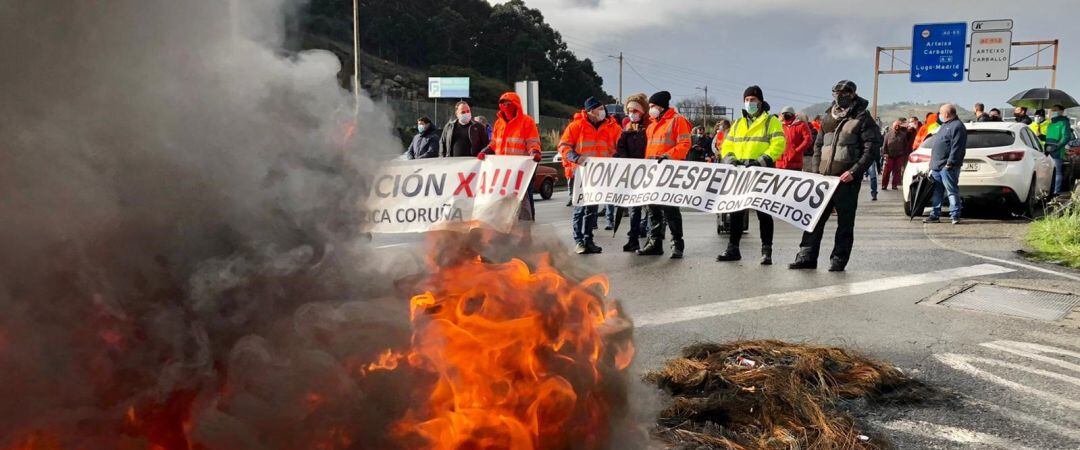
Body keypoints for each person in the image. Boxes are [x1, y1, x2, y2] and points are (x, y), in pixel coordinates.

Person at [790, 80, 881, 272]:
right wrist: (816, 171)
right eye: (836, 92)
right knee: (813, 218)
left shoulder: (862, 117)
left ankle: (838, 259)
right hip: (824, 179)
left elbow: (871, 149)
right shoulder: (827, 117)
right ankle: (806, 256)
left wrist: (854, 171)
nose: (839, 96)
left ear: (853, 94)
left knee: (845, 222)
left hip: (846, 179)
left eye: (844, 92)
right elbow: (818, 146)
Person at [715, 86, 786, 265]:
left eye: (753, 100)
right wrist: (730, 160)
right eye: (747, 100)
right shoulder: (738, 123)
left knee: (763, 212)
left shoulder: (771, 121)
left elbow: (778, 144)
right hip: (740, 173)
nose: (749, 103)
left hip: (761, 172)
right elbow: (727, 144)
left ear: (760, 101)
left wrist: (760, 161)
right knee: (736, 211)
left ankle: (766, 250)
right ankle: (733, 248)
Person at [559, 97, 621, 254]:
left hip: (600, 175)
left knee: (592, 209)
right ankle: (579, 241)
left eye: (602, 108)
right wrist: (576, 158)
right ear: (590, 111)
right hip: (581, 174)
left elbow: (620, 147)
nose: (603, 111)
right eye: (599, 108)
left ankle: (588, 240)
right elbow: (564, 147)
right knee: (580, 209)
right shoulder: (576, 126)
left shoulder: (612, 127)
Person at [636, 91, 692, 259]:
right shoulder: (652, 125)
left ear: (661, 106)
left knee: (670, 209)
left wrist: (668, 156)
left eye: (653, 106)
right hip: (653, 173)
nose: (650, 109)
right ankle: (655, 243)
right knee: (652, 209)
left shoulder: (677, 121)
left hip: (669, 172)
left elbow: (685, 144)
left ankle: (677, 244)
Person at [479, 92, 543, 221]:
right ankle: (505, 231)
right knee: (502, 202)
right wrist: (486, 150)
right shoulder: (499, 124)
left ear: (516, 105)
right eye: (503, 104)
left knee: (524, 201)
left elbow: (532, 141)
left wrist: (534, 152)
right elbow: (494, 142)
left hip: (522, 171)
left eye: (508, 104)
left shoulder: (526, 122)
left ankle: (526, 230)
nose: (505, 106)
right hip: (503, 172)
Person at [616, 93, 651, 252]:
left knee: (651, 208)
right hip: (633, 172)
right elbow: (620, 147)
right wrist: (626, 161)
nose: (632, 113)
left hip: (649, 172)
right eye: (629, 110)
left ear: (642, 111)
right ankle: (633, 238)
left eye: (635, 110)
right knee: (634, 208)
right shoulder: (627, 128)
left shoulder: (650, 127)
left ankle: (652, 237)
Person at [924, 104, 967, 225]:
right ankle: (935, 215)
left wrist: (950, 163)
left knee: (951, 191)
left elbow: (957, 147)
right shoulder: (944, 125)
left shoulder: (957, 126)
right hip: (937, 165)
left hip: (947, 166)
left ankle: (955, 215)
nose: (939, 116)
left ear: (947, 114)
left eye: (940, 113)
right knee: (937, 192)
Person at [1045, 104, 1076, 197]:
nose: (1053, 112)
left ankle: (1056, 192)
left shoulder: (1064, 122)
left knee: (1057, 171)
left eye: (1055, 110)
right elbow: (1049, 137)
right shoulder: (1051, 123)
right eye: (1052, 110)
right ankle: (1049, 191)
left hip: (1057, 151)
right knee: (1049, 171)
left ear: (1061, 111)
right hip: (1048, 150)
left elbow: (1066, 137)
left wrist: (1057, 146)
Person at [778, 106, 812, 171]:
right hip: (780, 163)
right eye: (784, 114)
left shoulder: (801, 125)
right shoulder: (779, 126)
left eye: (788, 114)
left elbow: (808, 139)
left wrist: (796, 151)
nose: (786, 116)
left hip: (795, 162)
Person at [881, 119, 911, 191]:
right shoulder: (888, 135)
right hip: (889, 156)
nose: (897, 127)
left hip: (899, 156)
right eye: (895, 125)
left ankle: (894, 185)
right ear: (893, 126)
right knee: (886, 172)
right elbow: (884, 146)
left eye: (898, 125)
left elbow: (905, 146)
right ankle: (884, 185)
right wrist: (884, 154)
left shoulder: (903, 135)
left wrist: (904, 156)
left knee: (897, 172)